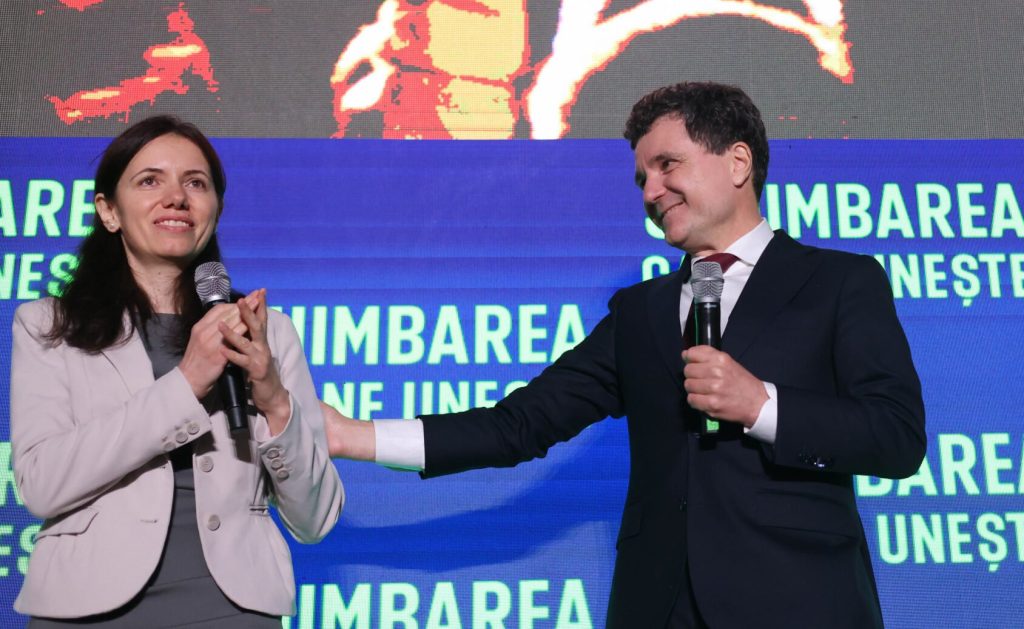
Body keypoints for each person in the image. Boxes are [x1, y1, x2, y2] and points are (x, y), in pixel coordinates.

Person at [323, 82, 926, 628]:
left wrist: (761, 405)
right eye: (642, 179)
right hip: (657, 607)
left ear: (738, 162)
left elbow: (897, 437)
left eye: (667, 166)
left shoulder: (840, 282)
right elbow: (518, 425)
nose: (651, 192)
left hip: (801, 602)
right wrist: (352, 436)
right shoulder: (640, 313)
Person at [10, 115, 344, 627]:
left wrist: (276, 401)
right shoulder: (48, 326)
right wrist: (186, 383)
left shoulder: (267, 331)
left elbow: (315, 518)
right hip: (85, 605)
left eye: (196, 183)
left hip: (232, 609)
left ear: (215, 209)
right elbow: (41, 485)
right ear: (109, 211)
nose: (176, 198)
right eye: (150, 181)